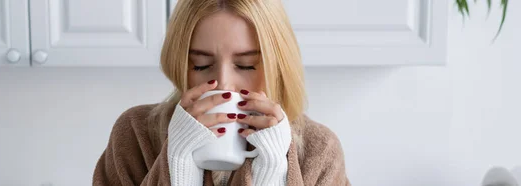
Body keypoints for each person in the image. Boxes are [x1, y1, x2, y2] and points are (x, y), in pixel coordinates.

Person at [92, 0, 350, 185]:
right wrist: (179, 164)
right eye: (201, 65)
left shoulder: (320, 151)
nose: (225, 84)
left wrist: (272, 172)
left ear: (277, 64)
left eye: (246, 65)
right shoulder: (136, 134)